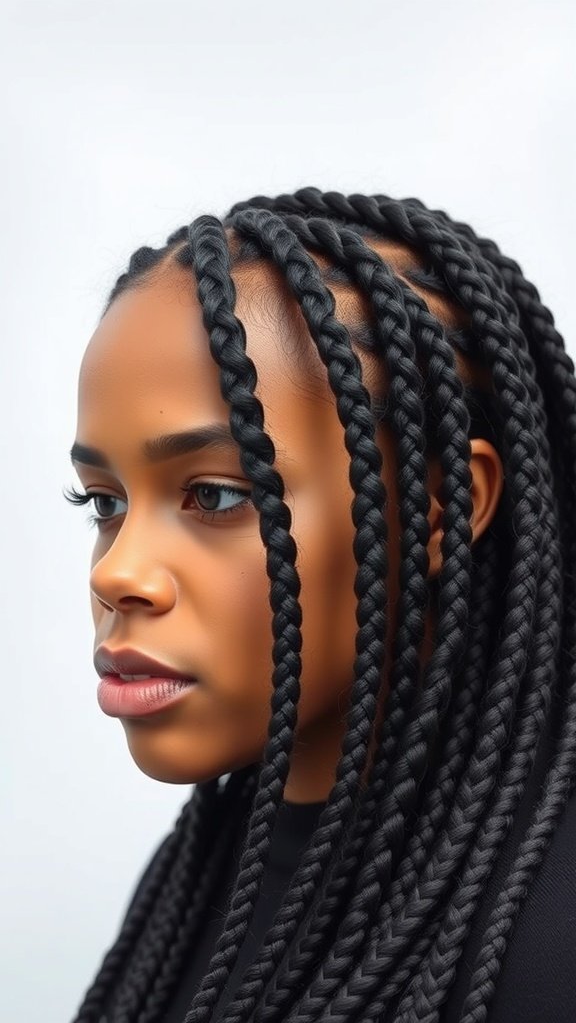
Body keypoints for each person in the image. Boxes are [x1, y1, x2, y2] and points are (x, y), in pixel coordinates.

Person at [65, 188, 576, 1023]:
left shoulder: (548, 940)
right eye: (104, 502)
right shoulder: (197, 882)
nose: (119, 573)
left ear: (440, 508)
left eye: (216, 496)